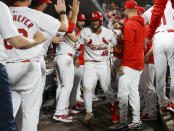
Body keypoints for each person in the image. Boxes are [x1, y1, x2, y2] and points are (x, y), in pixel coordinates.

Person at [3, 0, 71, 130]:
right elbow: (64, 27)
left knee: (8, 113)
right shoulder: (34, 14)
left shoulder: (2, 13)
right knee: (30, 113)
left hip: (5, 67)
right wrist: (62, 13)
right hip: (28, 66)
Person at [0, 1, 46, 130]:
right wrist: (37, 40)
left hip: (10, 66)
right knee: (7, 121)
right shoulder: (1, 7)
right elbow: (17, 42)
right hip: (24, 65)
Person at [76, 11, 119, 123]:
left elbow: (114, 43)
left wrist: (109, 45)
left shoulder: (108, 32)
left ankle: (113, 107)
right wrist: (76, 57)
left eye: (96, 21)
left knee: (106, 89)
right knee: (87, 87)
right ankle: (89, 112)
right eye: (92, 21)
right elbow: (79, 46)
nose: (94, 23)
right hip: (89, 63)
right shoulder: (85, 31)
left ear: (100, 21)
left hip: (103, 64)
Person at [109, 1, 146, 130]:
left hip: (130, 63)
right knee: (134, 93)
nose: (123, 11)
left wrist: (123, 65)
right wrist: (122, 27)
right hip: (139, 62)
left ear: (128, 9)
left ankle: (123, 121)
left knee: (122, 94)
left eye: (124, 10)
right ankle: (136, 120)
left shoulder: (130, 24)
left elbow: (129, 46)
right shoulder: (141, 23)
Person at [144, 1, 174, 113]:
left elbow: (141, 23)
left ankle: (162, 103)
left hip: (157, 39)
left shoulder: (148, 11)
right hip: (172, 35)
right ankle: (173, 102)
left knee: (160, 73)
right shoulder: (172, 4)